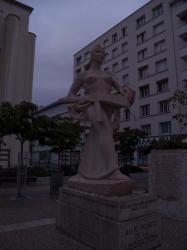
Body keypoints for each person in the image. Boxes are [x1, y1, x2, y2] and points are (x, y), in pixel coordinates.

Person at [64, 45, 135, 180]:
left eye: (103, 53)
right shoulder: (83, 75)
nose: (101, 54)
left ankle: (86, 171)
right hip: (92, 105)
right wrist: (80, 101)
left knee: (96, 137)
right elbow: (71, 94)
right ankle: (113, 170)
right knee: (105, 132)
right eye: (98, 52)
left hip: (107, 106)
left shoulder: (109, 74)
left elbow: (121, 89)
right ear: (91, 55)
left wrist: (125, 91)